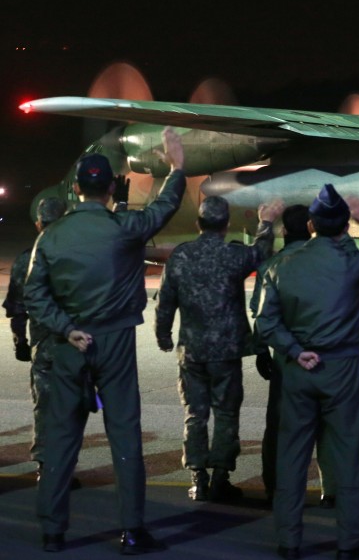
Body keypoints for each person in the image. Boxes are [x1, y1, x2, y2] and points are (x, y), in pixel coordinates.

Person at [24, 129, 185, 554]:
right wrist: (177, 168)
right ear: (111, 186)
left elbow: (34, 295)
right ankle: (132, 531)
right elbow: (164, 208)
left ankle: (52, 531)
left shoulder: (50, 237)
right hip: (114, 340)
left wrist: (65, 327)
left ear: (76, 187)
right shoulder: (125, 227)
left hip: (67, 343)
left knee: (61, 438)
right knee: (125, 437)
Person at [256, 184, 359, 560]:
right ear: (344, 226)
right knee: (347, 455)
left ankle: (289, 541)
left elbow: (266, 323)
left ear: (311, 224)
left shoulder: (282, 265)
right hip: (342, 367)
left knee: (292, 454)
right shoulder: (352, 263)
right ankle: (350, 543)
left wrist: (296, 352)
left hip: (299, 370)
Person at [154, 194, 283, 502]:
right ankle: (220, 478)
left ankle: (198, 478)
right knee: (226, 414)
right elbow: (262, 253)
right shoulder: (232, 256)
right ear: (225, 226)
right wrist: (266, 222)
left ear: (199, 224)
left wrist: (163, 335)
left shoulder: (181, 257)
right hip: (226, 352)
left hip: (193, 351)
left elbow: (165, 301)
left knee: (194, 414)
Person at [251, 204, 336, 507]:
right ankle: (334, 489)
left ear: (284, 231)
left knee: (280, 427)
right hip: (327, 358)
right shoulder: (329, 262)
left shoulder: (273, 264)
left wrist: (262, 351)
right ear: (312, 227)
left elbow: (260, 316)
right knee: (330, 426)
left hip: (287, 358)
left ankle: (277, 487)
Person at [3, 197, 68, 482]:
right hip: (76, 346)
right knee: (72, 408)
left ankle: (46, 465)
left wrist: (20, 343)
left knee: (44, 406)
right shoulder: (77, 258)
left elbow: (16, 310)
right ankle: (65, 464)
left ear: (38, 223)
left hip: (43, 348)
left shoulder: (24, 261)